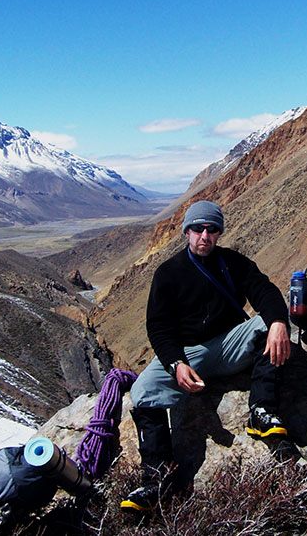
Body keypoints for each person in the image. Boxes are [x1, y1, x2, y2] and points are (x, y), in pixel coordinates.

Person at [121, 200, 292, 512]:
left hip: (229, 343)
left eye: (211, 230)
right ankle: (156, 478)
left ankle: (261, 410)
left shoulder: (233, 263)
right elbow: (159, 327)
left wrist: (279, 322)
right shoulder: (169, 273)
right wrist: (175, 364)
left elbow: (264, 291)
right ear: (187, 232)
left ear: (218, 233)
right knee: (143, 390)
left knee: (273, 323)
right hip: (189, 354)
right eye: (197, 229)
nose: (204, 236)